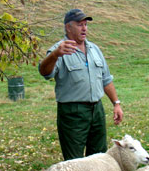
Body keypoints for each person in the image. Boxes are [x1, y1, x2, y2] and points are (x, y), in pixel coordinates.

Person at [39, 9, 123, 160]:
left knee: (99, 158)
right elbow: (44, 72)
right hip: (72, 113)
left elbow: (106, 79)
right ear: (68, 27)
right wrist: (55, 55)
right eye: (79, 25)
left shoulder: (94, 49)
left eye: (85, 24)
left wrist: (116, 103)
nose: (84, 28)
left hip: (97, 110)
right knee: (74, 162)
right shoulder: (59, 49)